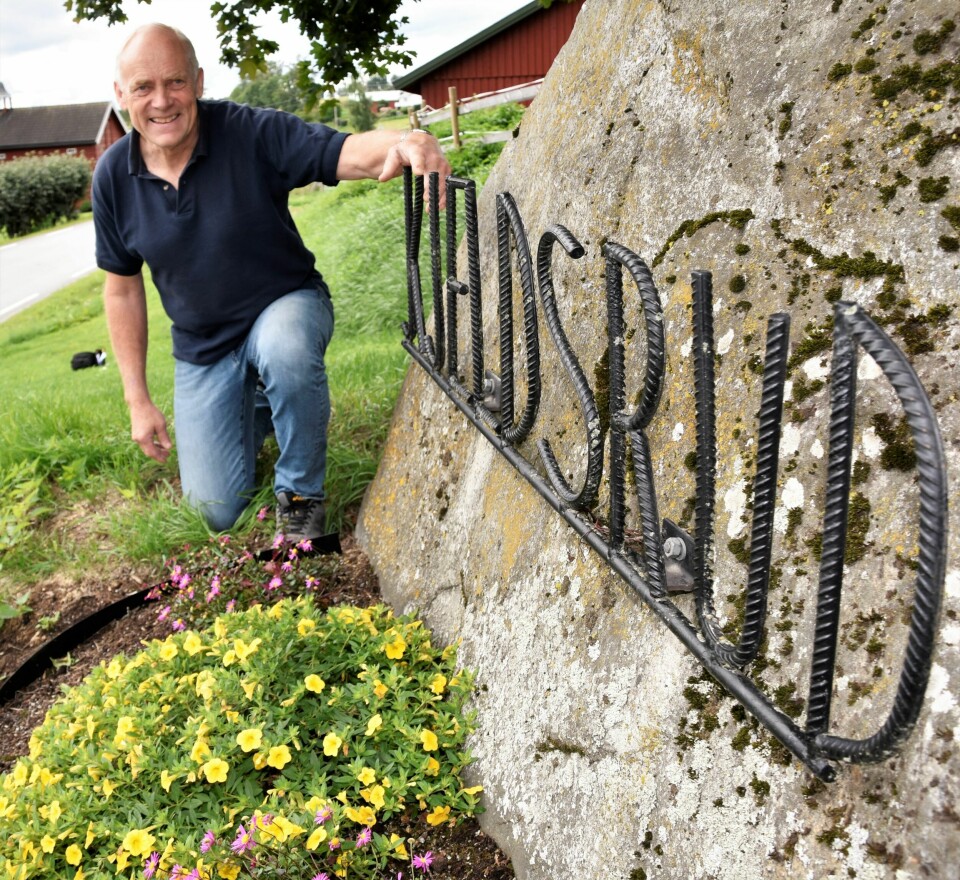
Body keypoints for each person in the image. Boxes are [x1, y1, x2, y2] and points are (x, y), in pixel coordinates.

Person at [93, 23, 450, 541]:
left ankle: (301, 495)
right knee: (215, 510)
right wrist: (137, 399)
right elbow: (122, 287)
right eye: (143, 88)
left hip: (284, 306)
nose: (162, 101)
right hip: (204, 349)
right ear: (121, 95)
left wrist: (406, 140)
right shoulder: (111, 177)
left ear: (197, 80)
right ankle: (260, 397)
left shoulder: (250, 132)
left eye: (174, 82)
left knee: (283, 349)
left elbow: (343, 152)